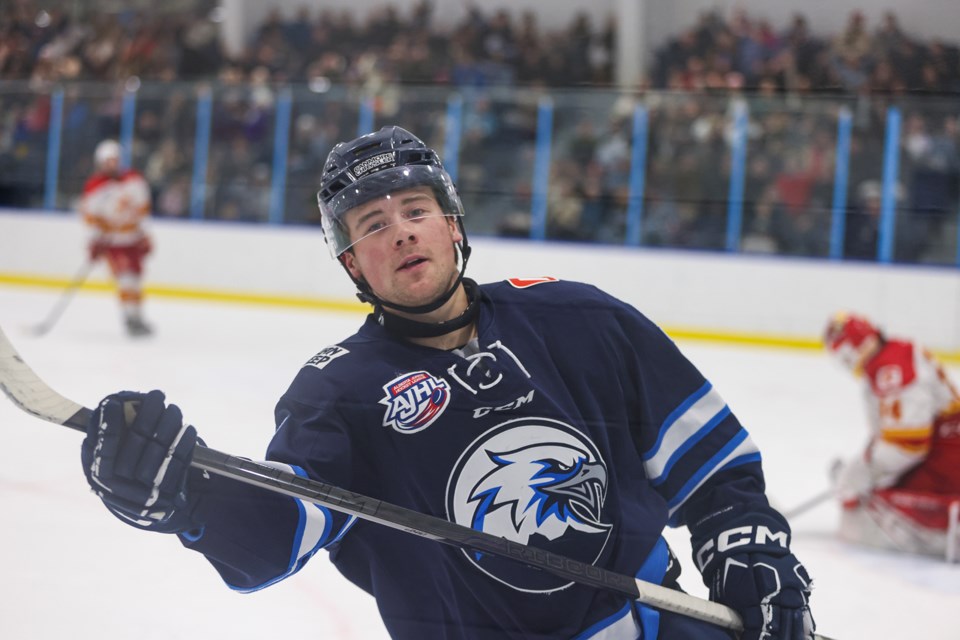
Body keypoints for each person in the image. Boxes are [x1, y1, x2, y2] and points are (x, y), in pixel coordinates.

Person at [80, 126, 815, 639]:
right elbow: (282, 530)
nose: (399, 231)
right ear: (352, 269)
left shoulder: (578, 319)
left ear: (453, 227)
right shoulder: (338, 394)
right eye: (370, 225)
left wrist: (743, 542)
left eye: (415, 210)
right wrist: (190, 499)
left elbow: (711, 465)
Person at [823, 312, 960, 558]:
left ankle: (945, 531)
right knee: (872, 491)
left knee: (869, 512)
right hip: (944, 449)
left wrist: (864, 471)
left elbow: (910, 445)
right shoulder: (892, 355)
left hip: (947, 460)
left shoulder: (892, 368)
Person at [79, 139, 153, 336]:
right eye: (108, 160)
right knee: (125, 279)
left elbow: (143, 209)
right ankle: (129, 319)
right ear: (100, 162)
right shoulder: (94, 186)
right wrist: (93, 241)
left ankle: (138, 317)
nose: (112, 164)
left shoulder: (134, 179)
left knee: (136, 279)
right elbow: (90, 218)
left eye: (115, 159)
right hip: (112, 242)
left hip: (133, 238)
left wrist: (145, 235)